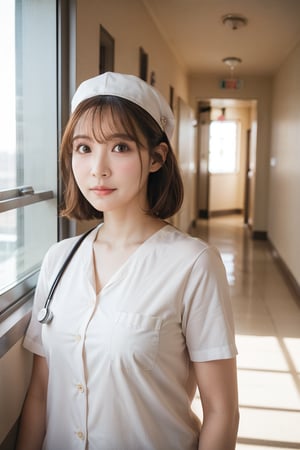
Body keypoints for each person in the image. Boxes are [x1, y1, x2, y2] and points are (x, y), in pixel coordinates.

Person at [16, 72, 239, 450]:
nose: (97, 168)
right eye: (84, 148)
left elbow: (222, 411)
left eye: (119, 147)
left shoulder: (193, 264)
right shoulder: (59, 260)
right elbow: (40, 392)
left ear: (156, 157)